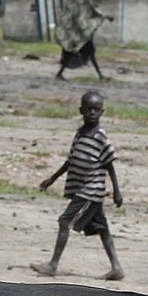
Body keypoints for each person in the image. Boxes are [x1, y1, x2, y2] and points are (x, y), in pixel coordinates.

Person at [31, 90, 124, 280]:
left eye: (96, 110)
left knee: (65, 221)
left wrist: (116, 191)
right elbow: (71, 160)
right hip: (84, 189)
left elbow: (109, 164)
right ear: (81, 110)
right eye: (88, 109)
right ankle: (116, 268)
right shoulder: (80, 133)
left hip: (91, 190)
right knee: (102, 228)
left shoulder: (100, 136)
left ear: (102, 112)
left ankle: (52, 265)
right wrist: (52, 178)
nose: (92, 113)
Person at [54, 0, 112, 81]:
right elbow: (90, 8)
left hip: (73, 29)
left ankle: (60, 73)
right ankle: (100, 75)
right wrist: (104, 16)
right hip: (79, 30)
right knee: (89, 51)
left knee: (71, 51)